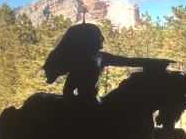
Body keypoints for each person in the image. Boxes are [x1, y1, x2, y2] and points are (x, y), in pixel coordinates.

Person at [43, 22, 174, 103]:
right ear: (90, 39)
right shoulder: (83, 60)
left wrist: (156, 62)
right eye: (100, 35)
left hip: (96, 102)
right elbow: (68, 90)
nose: (103, 39)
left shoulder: (101, 56)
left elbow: (127, 61)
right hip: (86, 107)